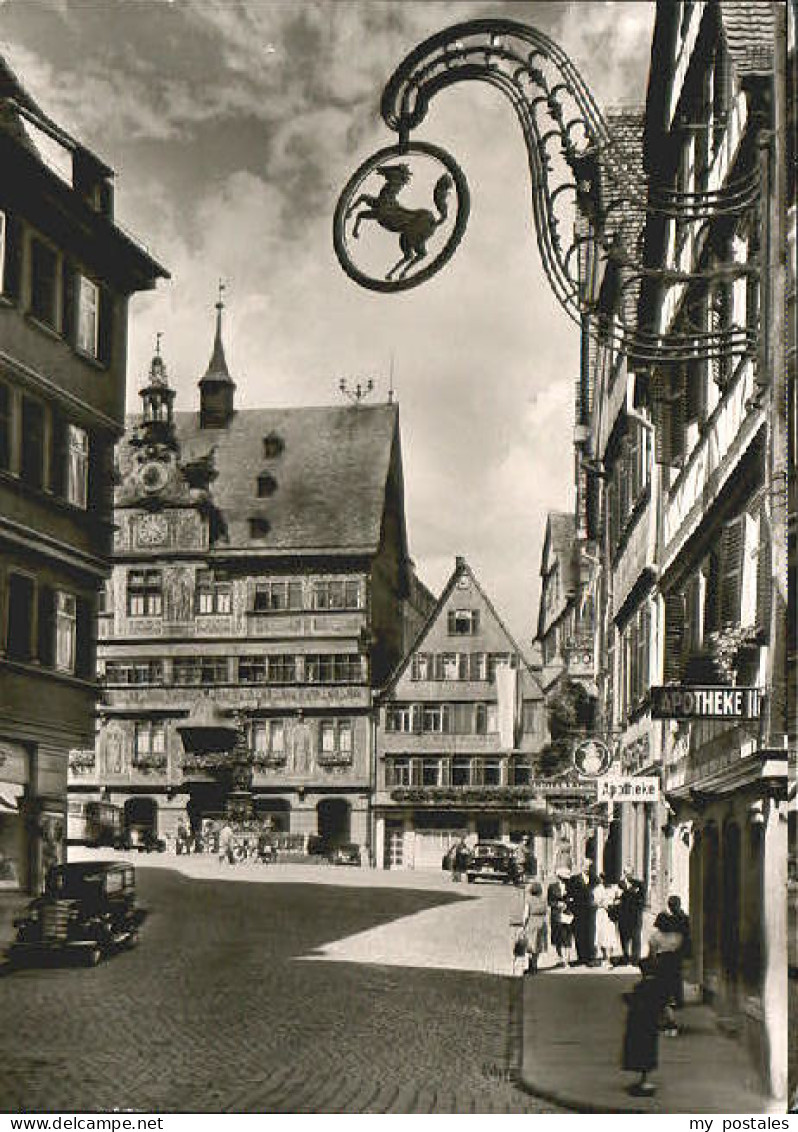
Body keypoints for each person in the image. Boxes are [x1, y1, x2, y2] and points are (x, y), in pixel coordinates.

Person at [618, 870, 645, 965]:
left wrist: (638, 908)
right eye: (626, 873)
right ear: (624, 873)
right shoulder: (619, 884)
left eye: (630, 873)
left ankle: (635, 958)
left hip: (635, 915)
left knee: (636, 937)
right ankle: (625, 956)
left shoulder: (639, 884)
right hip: (623, 915)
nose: (628, 875)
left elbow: (642, 899)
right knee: (624, 936)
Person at [547, 871, 573, 966]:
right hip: (556, 915)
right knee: (557, 937)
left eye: (566, 878)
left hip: (567, 915)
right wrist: (557, 904)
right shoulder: (552, 887)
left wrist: (568, 903)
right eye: (562, 878)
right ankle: (560, 957)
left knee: (567, 937)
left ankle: (567, 960)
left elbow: (575, 899)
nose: (564, 880)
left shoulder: (571, 887)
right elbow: (549, 901)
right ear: (558, 877)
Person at [522, 880, 548, 975]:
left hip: (532, 923)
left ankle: (530, 967)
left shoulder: (529, 900)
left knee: (530, 946)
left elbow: (526, 914)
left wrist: (523, 926)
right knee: (538, 946)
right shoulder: (543, 900)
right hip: (541, 923)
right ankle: (535, 966)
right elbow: (546, 912)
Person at [593, 873, 617, 965]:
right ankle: (604, 957)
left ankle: (609, 959)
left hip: (610, 915)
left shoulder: (613, 889)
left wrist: (613, 904)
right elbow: (596, 903)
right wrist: (604, 905)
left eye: (605, 879)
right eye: (602, 879)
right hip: (601, 914)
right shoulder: (597, 890)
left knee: (610, 936)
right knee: (601, 936)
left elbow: (617, 899)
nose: (604, 881)